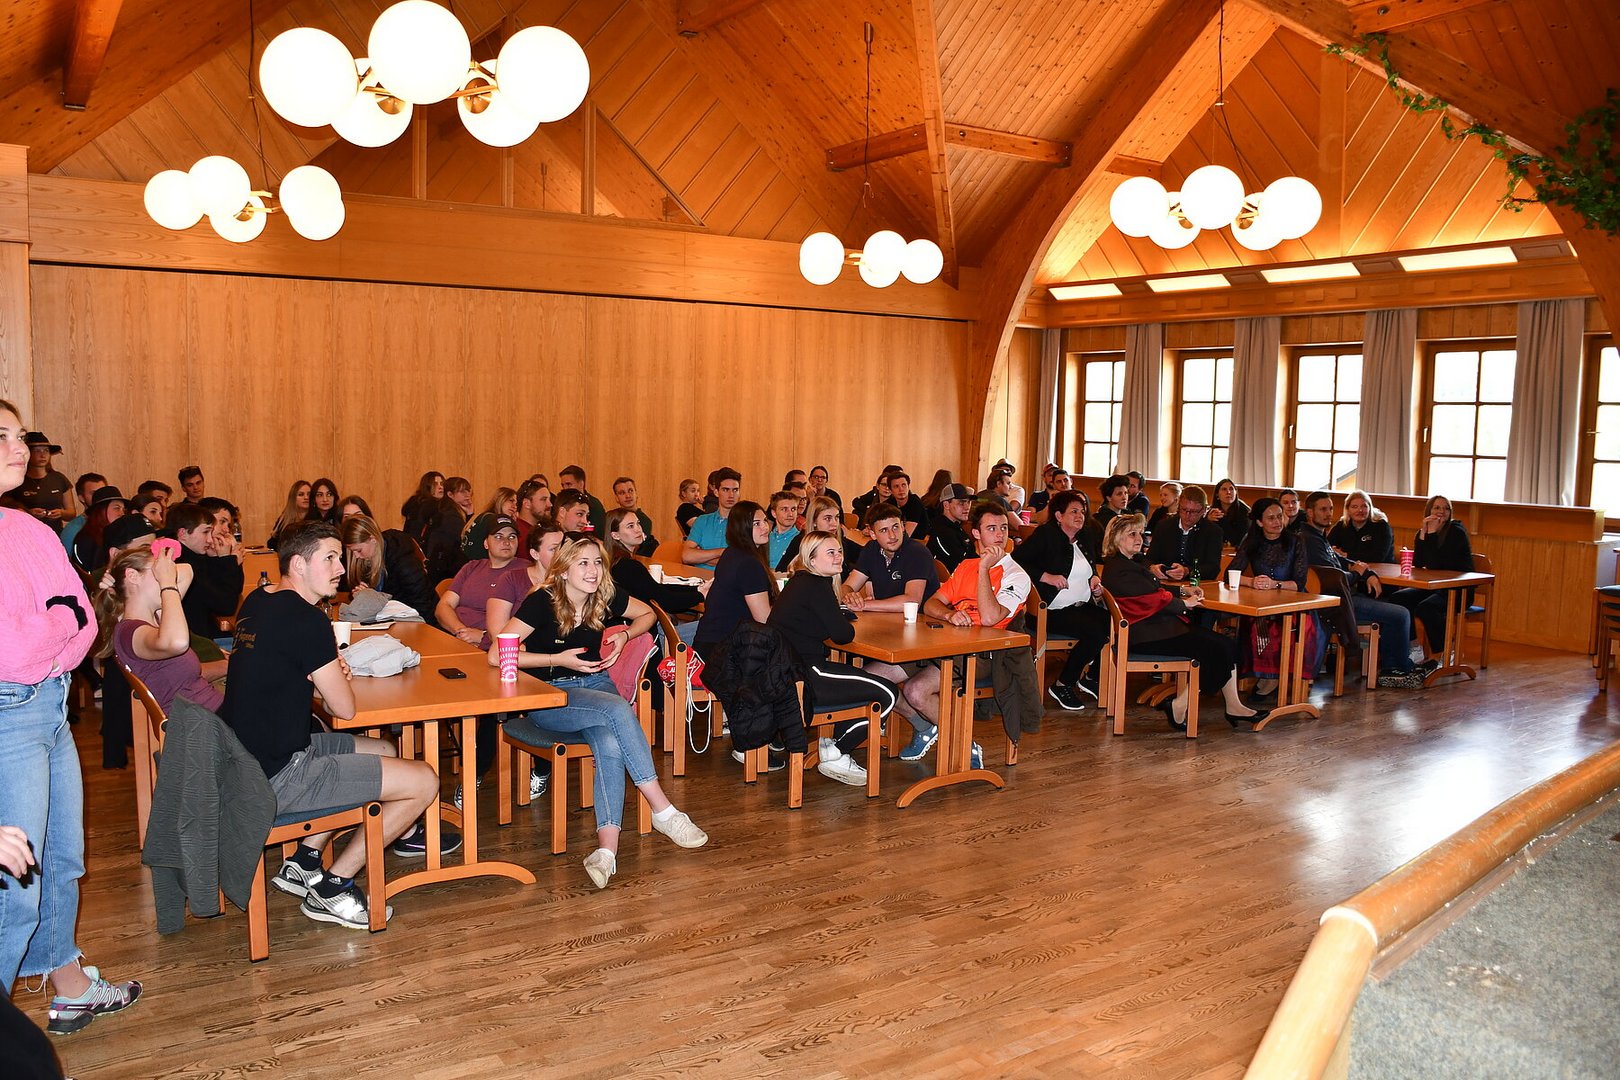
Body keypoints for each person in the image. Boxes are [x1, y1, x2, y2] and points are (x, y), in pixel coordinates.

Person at [1, 398, 143, 1036]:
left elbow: (84, 628)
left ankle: (69, 985)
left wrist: (57, 621)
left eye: (19, 436)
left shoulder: (27, 528)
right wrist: (59, 618)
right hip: (8, 717)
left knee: (60, 860)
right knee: (12, 886)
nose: (20, 449)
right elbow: (14, 648)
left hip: (51, 706)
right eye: (3, 436)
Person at [224, 521, 441, 926]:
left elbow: (282, 669)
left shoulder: (257, 599)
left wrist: (316, 671)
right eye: (329, 558)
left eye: (339, 558)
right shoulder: (308, 620)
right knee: (424, 780)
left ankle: (305, 861)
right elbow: (343, 709)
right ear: (298, 564)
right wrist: (333, 672)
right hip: (278, 776)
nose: (341, 568)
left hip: (245, 757)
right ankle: (334, 886)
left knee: (383, 749)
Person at [494, 535, 708, 888]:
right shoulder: (542, 600)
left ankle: (606, 852)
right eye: (583, 563)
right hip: (552, 694)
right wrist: (556, 659)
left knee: (609, 740)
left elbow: (648, 614)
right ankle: (663, 810)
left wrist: (625, 635)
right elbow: (498, 653)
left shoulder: (603, 595)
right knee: (618, 709)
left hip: (596, 686)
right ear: (563, 570)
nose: (592, 570)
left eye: (597, 562)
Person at [1099, 514, 1267, 729]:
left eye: (1140, 533)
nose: (1139, 538)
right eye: (1132, 534)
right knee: (1221, 648)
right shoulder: (1119, 569)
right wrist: (1184, 604)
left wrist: (1182, 590)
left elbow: (1154, 589)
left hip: (1154, 629)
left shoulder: (1125, 564)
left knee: (1224, 646)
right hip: (1147, 636)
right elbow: (1152, 599)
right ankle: (1181, 704)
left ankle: (1232, 706)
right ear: (1116, 538)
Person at [770, 532, 899, 787]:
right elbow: (842, 635)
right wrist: (838, 619)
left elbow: (815, 622)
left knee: (868, 681)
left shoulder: (800, 582)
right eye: (830, 552)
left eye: (839, 551)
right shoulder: (817, 586)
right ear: (812, 560)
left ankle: (832, 747)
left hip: (784, 674)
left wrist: (833, 616)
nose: (838, 556)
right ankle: (837, 751)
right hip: (807, 676)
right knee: (888, 693)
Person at [910, 502, 1033, 765]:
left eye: (1004, 528)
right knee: (880, 675)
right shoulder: (966, 565)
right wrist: (949, 614)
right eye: (992, 528)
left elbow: (989, 618)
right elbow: (931, 604)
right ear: (976, 533)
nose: (1000, 535)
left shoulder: (1016, 575)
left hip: (984, 655)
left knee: (916, 691)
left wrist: (984, 570)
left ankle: (965, 744)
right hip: (949, 644)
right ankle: (926, 726)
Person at [1298, 491, 1433, 690]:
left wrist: (1366, 572)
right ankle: (1395, 670)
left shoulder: (1318, 536)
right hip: (1336, 603)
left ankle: (1395, 666)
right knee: (1401, 614)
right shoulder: (1309, 540)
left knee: (1393, 606)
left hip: (1345, 596)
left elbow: (1341, 561)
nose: (1328, 514)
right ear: (1310, 512)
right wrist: (1357, 574)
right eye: (1323, 509)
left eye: (1331, 509)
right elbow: (1332, 578)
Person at [96, 546, 227, 714]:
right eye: (157, 571)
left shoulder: (156, 617)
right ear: (133, 576)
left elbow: (187, 571)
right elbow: (178, 643)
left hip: (212, 712)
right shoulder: (129, 632)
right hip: (203, 723)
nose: (165, 574)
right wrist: (167, 583)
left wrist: (117, 576)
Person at [1013, 490, 1111, 710]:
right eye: (1074, 511)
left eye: (1082, 512)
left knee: (1114, 623)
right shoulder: (1045, 535)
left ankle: (1090, 677)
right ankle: (1063, 683)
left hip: (1081, 607)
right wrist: (1045, 576)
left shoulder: (1084, 536)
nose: (1080, 516)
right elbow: (1016, 561)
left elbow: (1091, 565)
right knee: (1097, 631)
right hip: (1050, 611)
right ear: (1059, 515)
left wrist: (1095, 579)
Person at [1228, 498, 1324, 689]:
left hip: (1293, 602)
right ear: (1259, 522)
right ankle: (1266, 674)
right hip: (1262, 602)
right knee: (1253, 620)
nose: (1277, 522)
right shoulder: (1251, 541)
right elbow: (1229, 574)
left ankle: (1277, 676)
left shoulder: (1296, 541)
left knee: (1283, 625)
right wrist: (1252, 581)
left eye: (1280, 516)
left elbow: (1299, 583)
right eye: (1271, 518)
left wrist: (1275, 584)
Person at [1385, 494, 1475, 656]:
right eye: (1437, 507)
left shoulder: (1456, 532)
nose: (1442, 511)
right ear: (1429, 510)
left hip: (1458, 589)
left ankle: (1446, 654)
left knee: (1427, 608)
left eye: (1446, 508)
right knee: (1399, 598)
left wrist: (1432, 533)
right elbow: (1419, 562)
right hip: (1435, 586)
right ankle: (1414, 647)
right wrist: (1423, 533)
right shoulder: (1426, 531)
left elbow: (1434, 564)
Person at [606, 508, 707, 647]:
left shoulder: (617, 562)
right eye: (630, 526)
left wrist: (697, 589)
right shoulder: (627, 567)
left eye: (638, 523)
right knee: (717, 626)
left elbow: (657, 589)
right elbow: (667, 601)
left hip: (641, 632)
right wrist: (700, 595)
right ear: (615, 535)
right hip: (647, 638)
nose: (638, 529)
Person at [340, 514, 439, 625]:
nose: (356, 556)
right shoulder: (367, 558)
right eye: (352, 551)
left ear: (372, 539)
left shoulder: (403, 560)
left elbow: (422, 602)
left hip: (419, 619)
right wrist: (361, 595)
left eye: (359, 550)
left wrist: (372, 597)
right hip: (391, 620)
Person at [842, 503, 940, 611]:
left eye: (895, 527)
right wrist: (850, 597)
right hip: (884, 617)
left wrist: (864, 605)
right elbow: (847, 586)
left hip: (918, 619)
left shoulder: (918, 553)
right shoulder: (871, 549)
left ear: (902, 526)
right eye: (884, 530)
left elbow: (912, 601)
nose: (892, 536)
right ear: (873, 534)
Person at [168, 502, 244, 642]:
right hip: (196, 641)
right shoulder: (184, 565)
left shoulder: (192, 556)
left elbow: (235, 590)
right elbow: (227, 606)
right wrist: (227, 560)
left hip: (199, 634)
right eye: (205, 532)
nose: (209, 539)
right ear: (183, 534)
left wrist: (218, 559)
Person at [1145, 485, 1224, 588]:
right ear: (1178, 506)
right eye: (1184, 509)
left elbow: (1213, 568)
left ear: (1204, 510)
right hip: (1165, 585)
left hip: (1198, 586)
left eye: (1193, 512)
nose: (1187, 515)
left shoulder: (1213, 531)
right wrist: (1152, 567)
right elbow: (1149, 559)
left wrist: (1187, 571)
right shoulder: (1164, 526)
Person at [776, 495, 861, 572]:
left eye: (837, 517)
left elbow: (866, 557)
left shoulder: (841, 543)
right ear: (814, 521)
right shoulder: (800, 542)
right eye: (827, 518)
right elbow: (781, 571)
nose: (834, 523)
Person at [11, 431, 72, 533]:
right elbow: (6, 511)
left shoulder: (59, 478)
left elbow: (71, 513)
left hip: (55, 534)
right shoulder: (16, 479)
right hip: (25, 533)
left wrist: (61, 513)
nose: (43, 455)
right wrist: (28, 513)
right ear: (27, 454)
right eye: (37, 451)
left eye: (46, 450)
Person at [683, 467, 741, 567]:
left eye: (735, 490)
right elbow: (686, 556)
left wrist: (700, 556)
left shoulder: (746, 523)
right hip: (698, 576)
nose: (731, 495)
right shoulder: (702, 521)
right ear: (716, 492)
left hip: (730, 576)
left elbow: (739, 563)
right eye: (726, 490)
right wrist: (722, 552)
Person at [1328, 489, 1396, 566]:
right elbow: (1327, 545)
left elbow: (1378, 556)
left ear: (1370, 508)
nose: (1360, 510)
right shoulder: (1342, 525)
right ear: (1348, 509)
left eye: (1364, 506)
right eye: (1354, 507)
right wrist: (1333, 551)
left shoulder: (1382, 526)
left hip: (1381, 568)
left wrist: (1346, 555)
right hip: (1350, 567)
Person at [71, 485, 128, 573]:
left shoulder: (118, 535)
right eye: (117, 508)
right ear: (101, 510)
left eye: (123, 509)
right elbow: (93, 576)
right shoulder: (86, 539)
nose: (122, 513)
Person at [927, 483, 976, 572]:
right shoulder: (942, 532)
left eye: (968, 502)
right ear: (946, 505)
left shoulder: (956, 527)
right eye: (961, 503)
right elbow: (959, 565)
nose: (967, 507)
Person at [462, 486, 518, 563]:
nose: (515, 506)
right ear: (500, 499)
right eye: (511, 501)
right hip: (479, 565)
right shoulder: (491, 519)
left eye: (516, 504)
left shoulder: (483, 516)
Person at [59, 472, 107, 556]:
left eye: (103, 491)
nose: (100, 496)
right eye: (93, 493)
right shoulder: (73, 530)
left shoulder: (115, 521)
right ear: (81, 498)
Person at [610, 477, 658, 555]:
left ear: (636, 493)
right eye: (622, 493)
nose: (628, 496)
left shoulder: (645, 521)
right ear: (616, 498)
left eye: (630, 491)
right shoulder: (612, 518)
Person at [557, 465, 607, 535]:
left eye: (568, 484)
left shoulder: (594, 505)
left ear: (581, 484)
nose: (565, 488)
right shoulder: (560, 501)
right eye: (563, 485)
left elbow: (599, 534)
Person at [400, 471, 444, 548]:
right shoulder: (432, 507)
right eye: (435, 484)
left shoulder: (415, 503)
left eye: (442, 483)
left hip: (409, 546)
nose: (440, 487)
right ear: (427, 487)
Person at [266, 480, 311, 549]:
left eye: (309, 494)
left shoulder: (316, 518)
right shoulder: (284, 518)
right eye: (301, 494)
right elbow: (271, 543)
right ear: (293, 498)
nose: (306, 497)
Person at [886, 471, 931, 540]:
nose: (901, 489)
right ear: (890, 490)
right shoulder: (889, 504)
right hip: (898, 540)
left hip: (919, 541)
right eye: (896, 486)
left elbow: (906, 534)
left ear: (908, 487)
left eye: (903, 485)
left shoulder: (915, 502)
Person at [1206, 477, 1250, 546]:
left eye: (1231, 489)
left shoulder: (1244, 511)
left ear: (1236, 493)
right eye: (1224, 489)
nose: (1228, 492)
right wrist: (1207, 521)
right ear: (1217, 494)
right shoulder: (1212, 511)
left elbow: (1238, 540)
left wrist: (1222, 519)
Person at [513, 478, 552, 552]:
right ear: (527, 504)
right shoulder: (518, 535)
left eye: (549, 499)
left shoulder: (537, 530)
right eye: (543, 499)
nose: (550, 504)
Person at [765, 490, 801, 570]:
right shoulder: (765, 538)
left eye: (793, 509)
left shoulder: (802, 541)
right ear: (774, 513)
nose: (790, 514)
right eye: (784, 509)